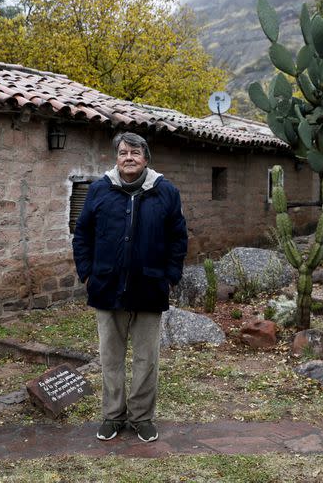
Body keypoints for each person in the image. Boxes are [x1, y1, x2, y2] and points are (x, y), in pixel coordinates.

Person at [72, 132, 188, 443]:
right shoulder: (99, 190)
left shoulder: (165, 192)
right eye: (123, 152)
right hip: (107, 286)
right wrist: (87, 272)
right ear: (117, 157)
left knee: (146, 360)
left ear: (146, 157)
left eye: (135, 152)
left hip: (150, 287)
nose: (128, 158)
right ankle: (113, 416)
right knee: (111, 358)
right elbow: (82, 234)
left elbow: (178, 238)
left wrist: (170, 276)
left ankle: (141, 417)